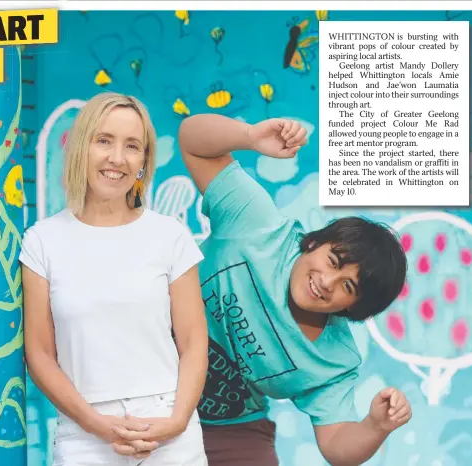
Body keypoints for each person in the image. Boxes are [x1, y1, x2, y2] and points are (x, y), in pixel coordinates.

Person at [177, 114, 413, 466]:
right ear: (314, 242)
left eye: (348, 286)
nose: (326, 283)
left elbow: (335, 446)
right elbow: (192, 141)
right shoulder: (256, 224)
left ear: (355, 306)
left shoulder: (333, 362)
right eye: (333, 261)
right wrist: (249, 135)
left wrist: (375, 426)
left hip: (228, 428)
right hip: (144, 387)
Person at [20, 92, 209, 465]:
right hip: (84, 433)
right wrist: (94, 423)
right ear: (81, 147)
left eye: (132, 146)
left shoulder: (170, 235)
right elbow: (40, 353)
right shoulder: (42, 240)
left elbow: (193, 341)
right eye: (104, 140)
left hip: (169, 429)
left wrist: (177, 422)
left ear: (143, 162)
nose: (117, 158)